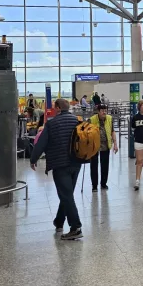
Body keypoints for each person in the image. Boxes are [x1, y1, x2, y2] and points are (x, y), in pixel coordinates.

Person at [30, 98, 83, 240]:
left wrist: (33, 159)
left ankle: (75, 227)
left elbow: (41, 144)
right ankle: (59, 221)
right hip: (76, 163)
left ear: (58, 108)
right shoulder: (77, 121)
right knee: (67, 193)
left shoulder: (52, 124)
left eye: (55, 107)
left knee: (66, 195)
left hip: (60, 165)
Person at [89, 103, 117, 192]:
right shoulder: (92, 119)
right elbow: (86, 131)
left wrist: (115, 144)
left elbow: (112, 131)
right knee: (94, 165)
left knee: (105, 165)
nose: (104, 112)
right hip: (94, 145)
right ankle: (94, 185)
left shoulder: (109, 118)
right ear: (98, 111)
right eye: (102, 111)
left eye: (106, 110)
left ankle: (103, 184)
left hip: (106, 144)